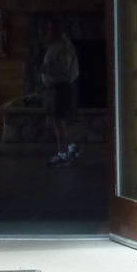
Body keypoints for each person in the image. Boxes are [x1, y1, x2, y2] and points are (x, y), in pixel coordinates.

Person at [38, 19, 81, 166]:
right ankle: (67, 149)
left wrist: (47, 69)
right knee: (56, 121)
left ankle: (64, 152)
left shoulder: (63, 47)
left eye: (50, 30)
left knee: (59, 121)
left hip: (61, 88)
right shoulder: (55, 45)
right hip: (55, 88)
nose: (48, 33)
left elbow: (64, 68)